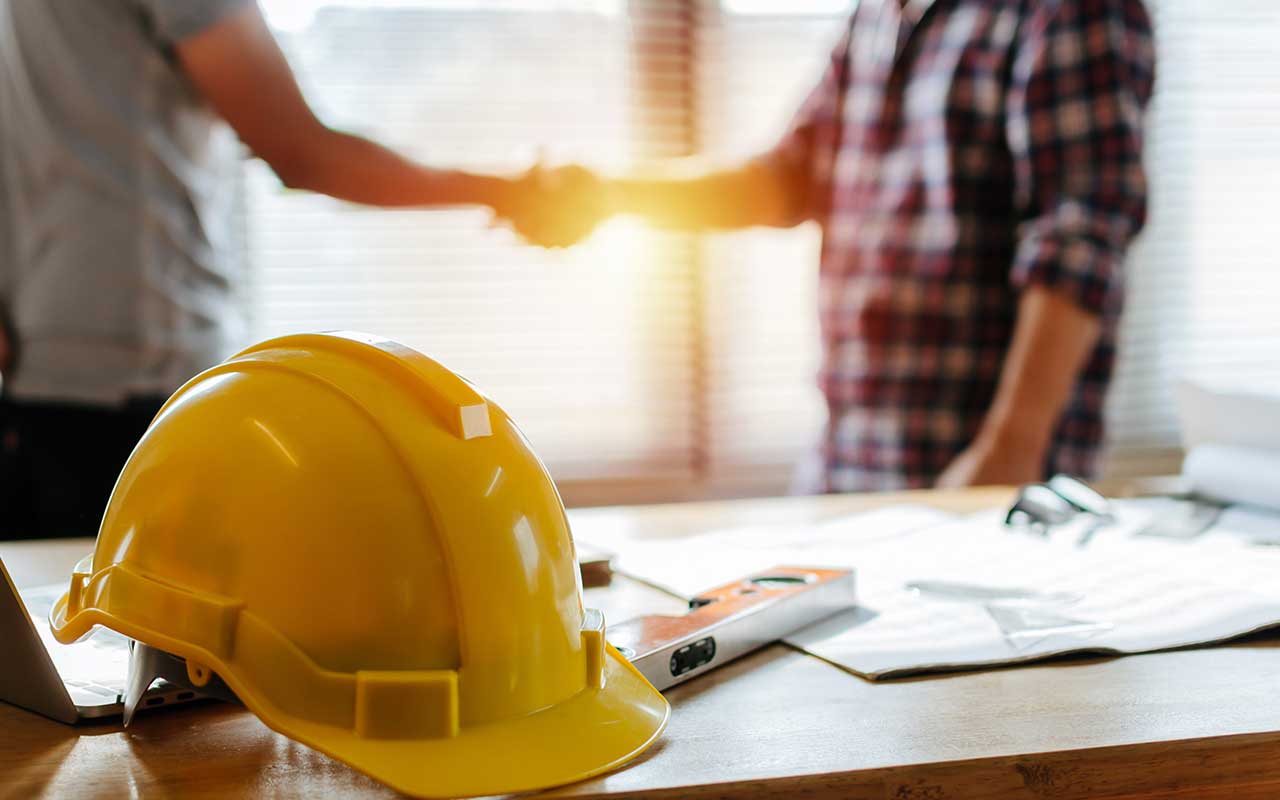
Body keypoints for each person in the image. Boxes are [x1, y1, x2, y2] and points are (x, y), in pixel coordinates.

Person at [508, 0, 1156, 492]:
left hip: (980, 471)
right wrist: (609, 194)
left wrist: (1008, 453)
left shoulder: (1069, 9)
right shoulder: (877, 13)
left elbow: (1082, 232)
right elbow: (788, 178)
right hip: (848, 465)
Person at [0, 0, 579, 538]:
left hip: (46, 379)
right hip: (142, 388)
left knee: (68, 635)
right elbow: (304, 152)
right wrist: (508, 193)